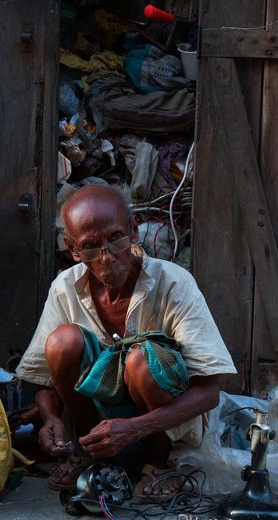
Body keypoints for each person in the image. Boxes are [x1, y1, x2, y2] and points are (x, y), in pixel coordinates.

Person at [15, 183, 236, 500]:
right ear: (72, 249)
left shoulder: (173, 283)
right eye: (90, 246)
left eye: (115, 237)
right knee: (62, 342)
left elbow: (208, 392)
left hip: (159, 427)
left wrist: (134, 428)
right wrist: (50, 419)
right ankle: (94, 454)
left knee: (141, 360)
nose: (106, 257)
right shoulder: (65, 288)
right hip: (97, 421)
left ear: (133, 230)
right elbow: (45, 381)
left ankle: (158, 464)